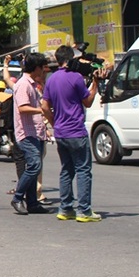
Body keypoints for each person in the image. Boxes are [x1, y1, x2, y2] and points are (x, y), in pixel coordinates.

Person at [42, 45, 106, 222]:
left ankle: (65, 208)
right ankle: (84, 211)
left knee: (66, 170)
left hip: (61, 133)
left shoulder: (51, 79)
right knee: (83, 170)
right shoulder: (76, 78)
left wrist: (55, 124)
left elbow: (45, 107)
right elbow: (88, 101)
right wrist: (95, 83)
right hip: (76, 131)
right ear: (71, 59)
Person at [10, 53, 52, 216]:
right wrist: (41, 110)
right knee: (34, 166)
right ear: (36, 68)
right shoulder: (23, 84)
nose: (44, 71)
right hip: (26, 133)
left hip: (36, 132)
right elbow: (23, 108)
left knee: (36, 166)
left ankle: (32, 203)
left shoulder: (34, 84)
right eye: (42, 68)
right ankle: (17, 198)